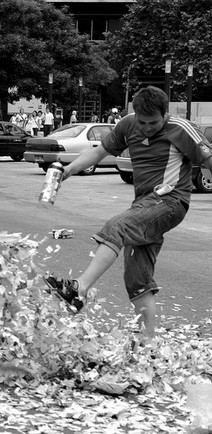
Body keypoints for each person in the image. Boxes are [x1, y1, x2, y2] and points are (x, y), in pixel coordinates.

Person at [44, 86, 212, 338]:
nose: (146, 127)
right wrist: (68, 171)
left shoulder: (181, 128)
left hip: (171, 203)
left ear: (165, 114)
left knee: (116, 227)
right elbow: (100, 151)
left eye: (153, 122)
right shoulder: (127, 124)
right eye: (141, 122)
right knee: (136, 278)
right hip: (144, 206)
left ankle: (78, 290)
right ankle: (148, 345)